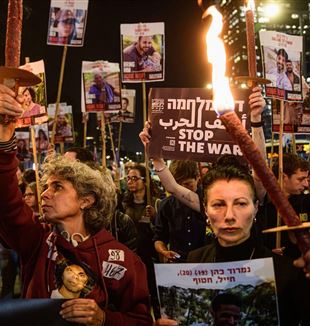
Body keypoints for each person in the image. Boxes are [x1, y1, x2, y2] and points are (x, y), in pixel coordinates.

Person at [0, 83, 153, 325]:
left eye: (57, 187)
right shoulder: (38, 242)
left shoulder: (123, 259)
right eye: (46, 187)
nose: (45, 195)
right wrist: (4, 139)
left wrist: (104, 319)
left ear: (86, 200)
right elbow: (7, 202)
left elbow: (142, 320)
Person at [154, 160, 207, 262]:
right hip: (178, 264)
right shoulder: (166, 205)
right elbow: (159, 238)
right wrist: (164, 251)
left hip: (205, 263)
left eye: (188, 184)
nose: (182, 189)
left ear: (197, 178)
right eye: (177, 185)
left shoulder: (207, 201)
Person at [258, 153, 309, 259]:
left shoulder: (305, 201)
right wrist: (267, 253)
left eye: (306, 179)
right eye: (300, 179)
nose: (306, 184)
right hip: (271, 269)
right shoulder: (263, 203)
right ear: (283, 177)